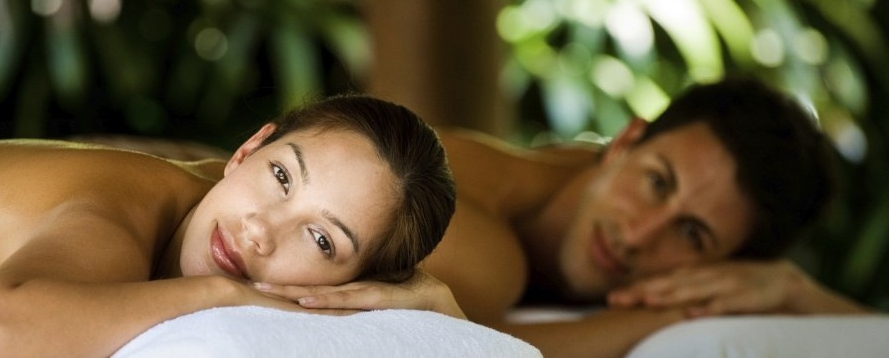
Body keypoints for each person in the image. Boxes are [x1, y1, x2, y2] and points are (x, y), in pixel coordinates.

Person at [257, 78, 875, 357]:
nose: (638, 234)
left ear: (724, 266)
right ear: (625, 141)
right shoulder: (486, 244)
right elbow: (478, 345)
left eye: (692, 234)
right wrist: (682, 313)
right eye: (657, 182)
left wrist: (792, 290)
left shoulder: (574, 169)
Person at [0, 94, 458, 357]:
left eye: (322, 239)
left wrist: (440, 308)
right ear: (248, 150)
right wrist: (220, 292)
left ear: (355, 282)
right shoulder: (117, 216)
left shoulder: (205, 203)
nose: (260, 229)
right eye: (281, 175)